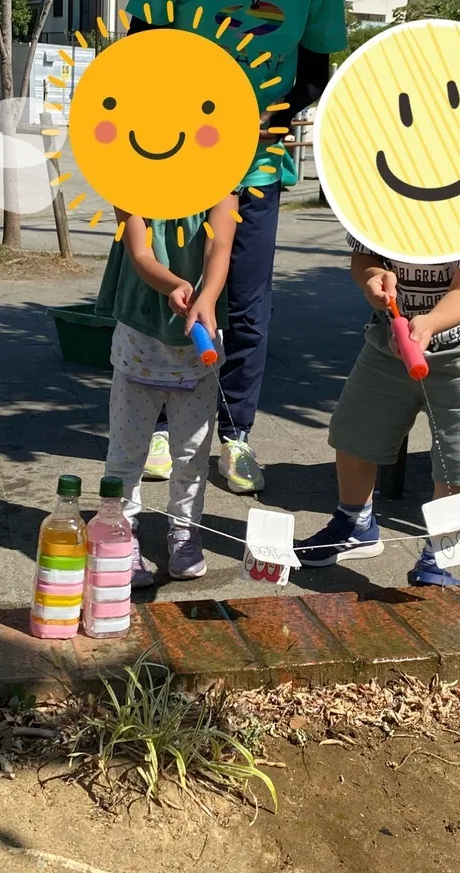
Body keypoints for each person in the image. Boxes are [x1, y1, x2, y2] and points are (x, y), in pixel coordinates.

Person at [129, 0, 347, 494]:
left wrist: (272, 114)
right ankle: (160, 429)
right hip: (176, 151)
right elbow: (139, 49)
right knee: (175, 290)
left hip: (255, 165)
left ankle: (236, 435)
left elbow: (314, 75)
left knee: (247, 302)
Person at [297, 234, 460, 586]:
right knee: (354, 432)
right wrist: (371, 278)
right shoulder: (380, 202)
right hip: (390, 340)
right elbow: (363, 257)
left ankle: (439, 557)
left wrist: (429, 323)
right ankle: (355, 523)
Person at [98, 196, 237, 586]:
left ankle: (184, 530)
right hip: (140, 338)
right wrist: (175, 284)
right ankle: (119, 533)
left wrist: (207, 295)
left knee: (192, 454)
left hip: (198, 342)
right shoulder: (132, 183)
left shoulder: (219, 181)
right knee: (126, 451)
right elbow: (140, 253)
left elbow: (219, 243)